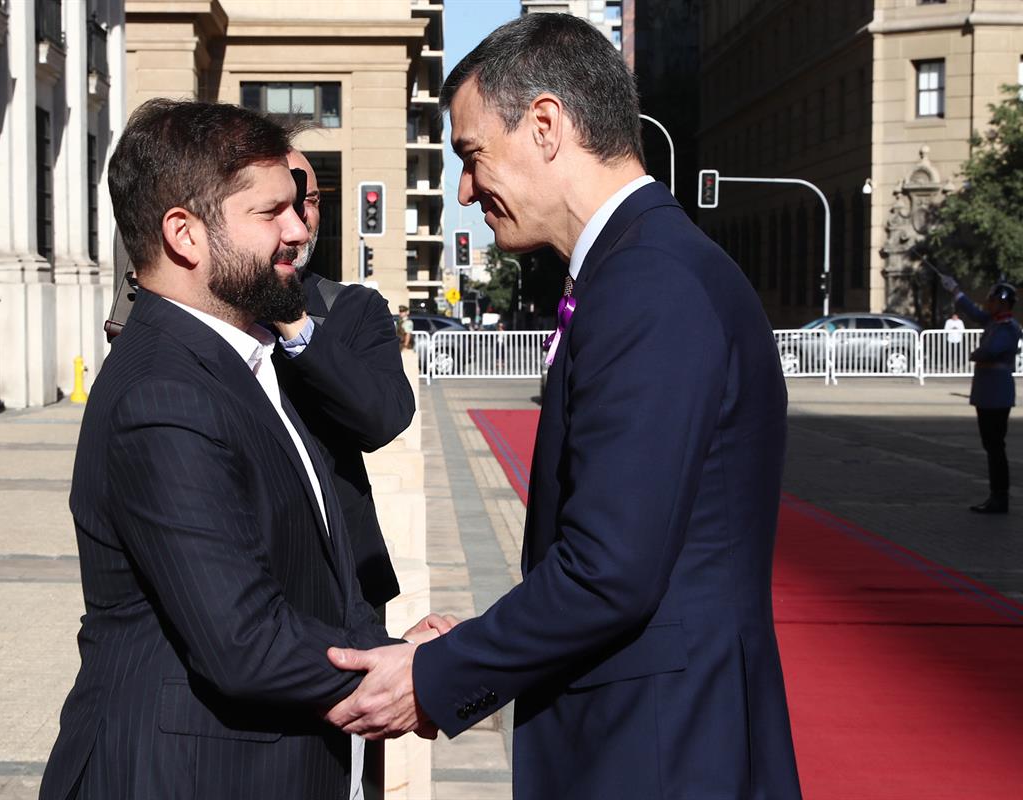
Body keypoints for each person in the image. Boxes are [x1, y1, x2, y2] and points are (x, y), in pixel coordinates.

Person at [322, 14, 802, 800]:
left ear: (545, 125)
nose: (466, 189)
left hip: (657, 750)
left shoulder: (649, 284)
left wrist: (438, 673)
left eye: (472, 156)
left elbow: (610, 569)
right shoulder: (644, 267)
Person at [39, 100, 441, 800]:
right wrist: (407, 670)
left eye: (298, 205)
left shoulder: (238, 359)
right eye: (270, 213)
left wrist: (395, 648)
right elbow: (245, 641)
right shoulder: (164, 394)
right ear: (184, 235)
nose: (298, 229)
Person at [273, 148, 417, 800]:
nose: (299, 218)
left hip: (345, 595)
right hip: (248, 589)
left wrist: (292, 322)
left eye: (309, 199)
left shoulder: (350, 309)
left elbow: (381, 415)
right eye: (278, 198)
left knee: (349, 780)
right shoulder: (210, 312)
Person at [942, 274, 1021, 514]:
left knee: (996, 447)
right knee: (991, 446)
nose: (988, 303)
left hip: (996, 394)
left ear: (1003, 303)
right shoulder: (995, 322)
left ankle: (1000, 497)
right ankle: (995, 495)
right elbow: (975, 313)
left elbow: (989, 351)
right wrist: (955, 290)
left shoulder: (1007, 327)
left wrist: (975, 353)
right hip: (988, 393)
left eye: (992, 300)